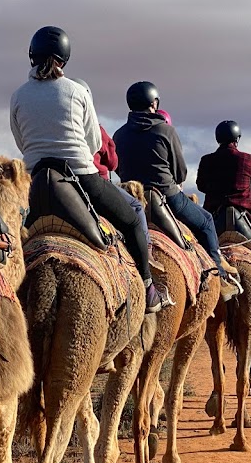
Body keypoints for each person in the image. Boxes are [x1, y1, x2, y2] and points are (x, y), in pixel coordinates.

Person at [10, 27, 165, 313]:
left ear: (31, 56)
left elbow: (20, 141)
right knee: (133, 218)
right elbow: (94, 142)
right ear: (64, 59)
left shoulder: (18, 96)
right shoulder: (77, 91)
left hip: (34, 183)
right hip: (81, 178)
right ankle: (147, 287)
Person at [112, 81, 240, 292]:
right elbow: (180, 173)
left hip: (131, 197)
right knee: (207, 221)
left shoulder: (119, 134)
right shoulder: (165, 130)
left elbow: (117, 168)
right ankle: (220, 276)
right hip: (166, 196)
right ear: (154, 103)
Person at [196, 120, 251, 293]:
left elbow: (201, 186)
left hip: (214, 217)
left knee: (195, 244)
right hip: (246, 216)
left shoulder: (206, 160)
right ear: (237, 139)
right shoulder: (247, 159)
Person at [72, 78, 151, 253]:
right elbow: (113, 163)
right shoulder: (97, 130)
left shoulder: (58, 127)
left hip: (62, 185)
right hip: (95, 184)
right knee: (136, 208)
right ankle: (147, 263)